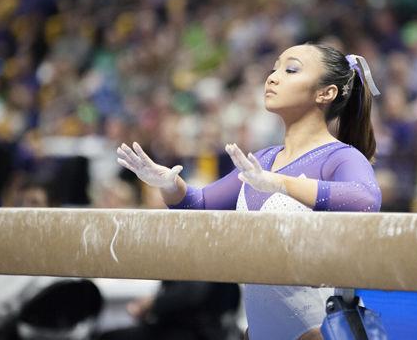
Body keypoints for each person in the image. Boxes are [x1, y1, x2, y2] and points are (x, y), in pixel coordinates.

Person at [116, 43, 383, 340]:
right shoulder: (264, 160)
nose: (273, 77)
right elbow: (199, 204)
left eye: (290, 69)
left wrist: (281, 184)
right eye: (274, 68)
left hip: (316, 332)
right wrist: (169, 184)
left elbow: (366, 200)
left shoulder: (340, 157)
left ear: (326, 93)